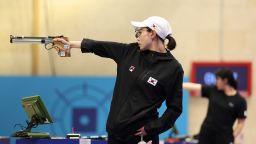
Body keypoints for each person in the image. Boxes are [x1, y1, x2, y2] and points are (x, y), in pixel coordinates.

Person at [54, 16, 184, 144]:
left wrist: (152, 129)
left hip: (142, 138)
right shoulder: (130, 51)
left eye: (140, 32)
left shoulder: (173, 68)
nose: (137, 37)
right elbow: (97, 46)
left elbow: (174, 108)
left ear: (153, 33)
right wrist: (69, 45)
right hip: (115, 135)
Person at [183, 68, 247, 144]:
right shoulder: (213, 90)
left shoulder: (240, 101)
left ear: (225, 80)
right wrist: (177, 84)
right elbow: (194, 87)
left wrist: (232, 136)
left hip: (224, 138)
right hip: (206, 135)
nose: (215, 81)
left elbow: (241, 122)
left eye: (217, 79)